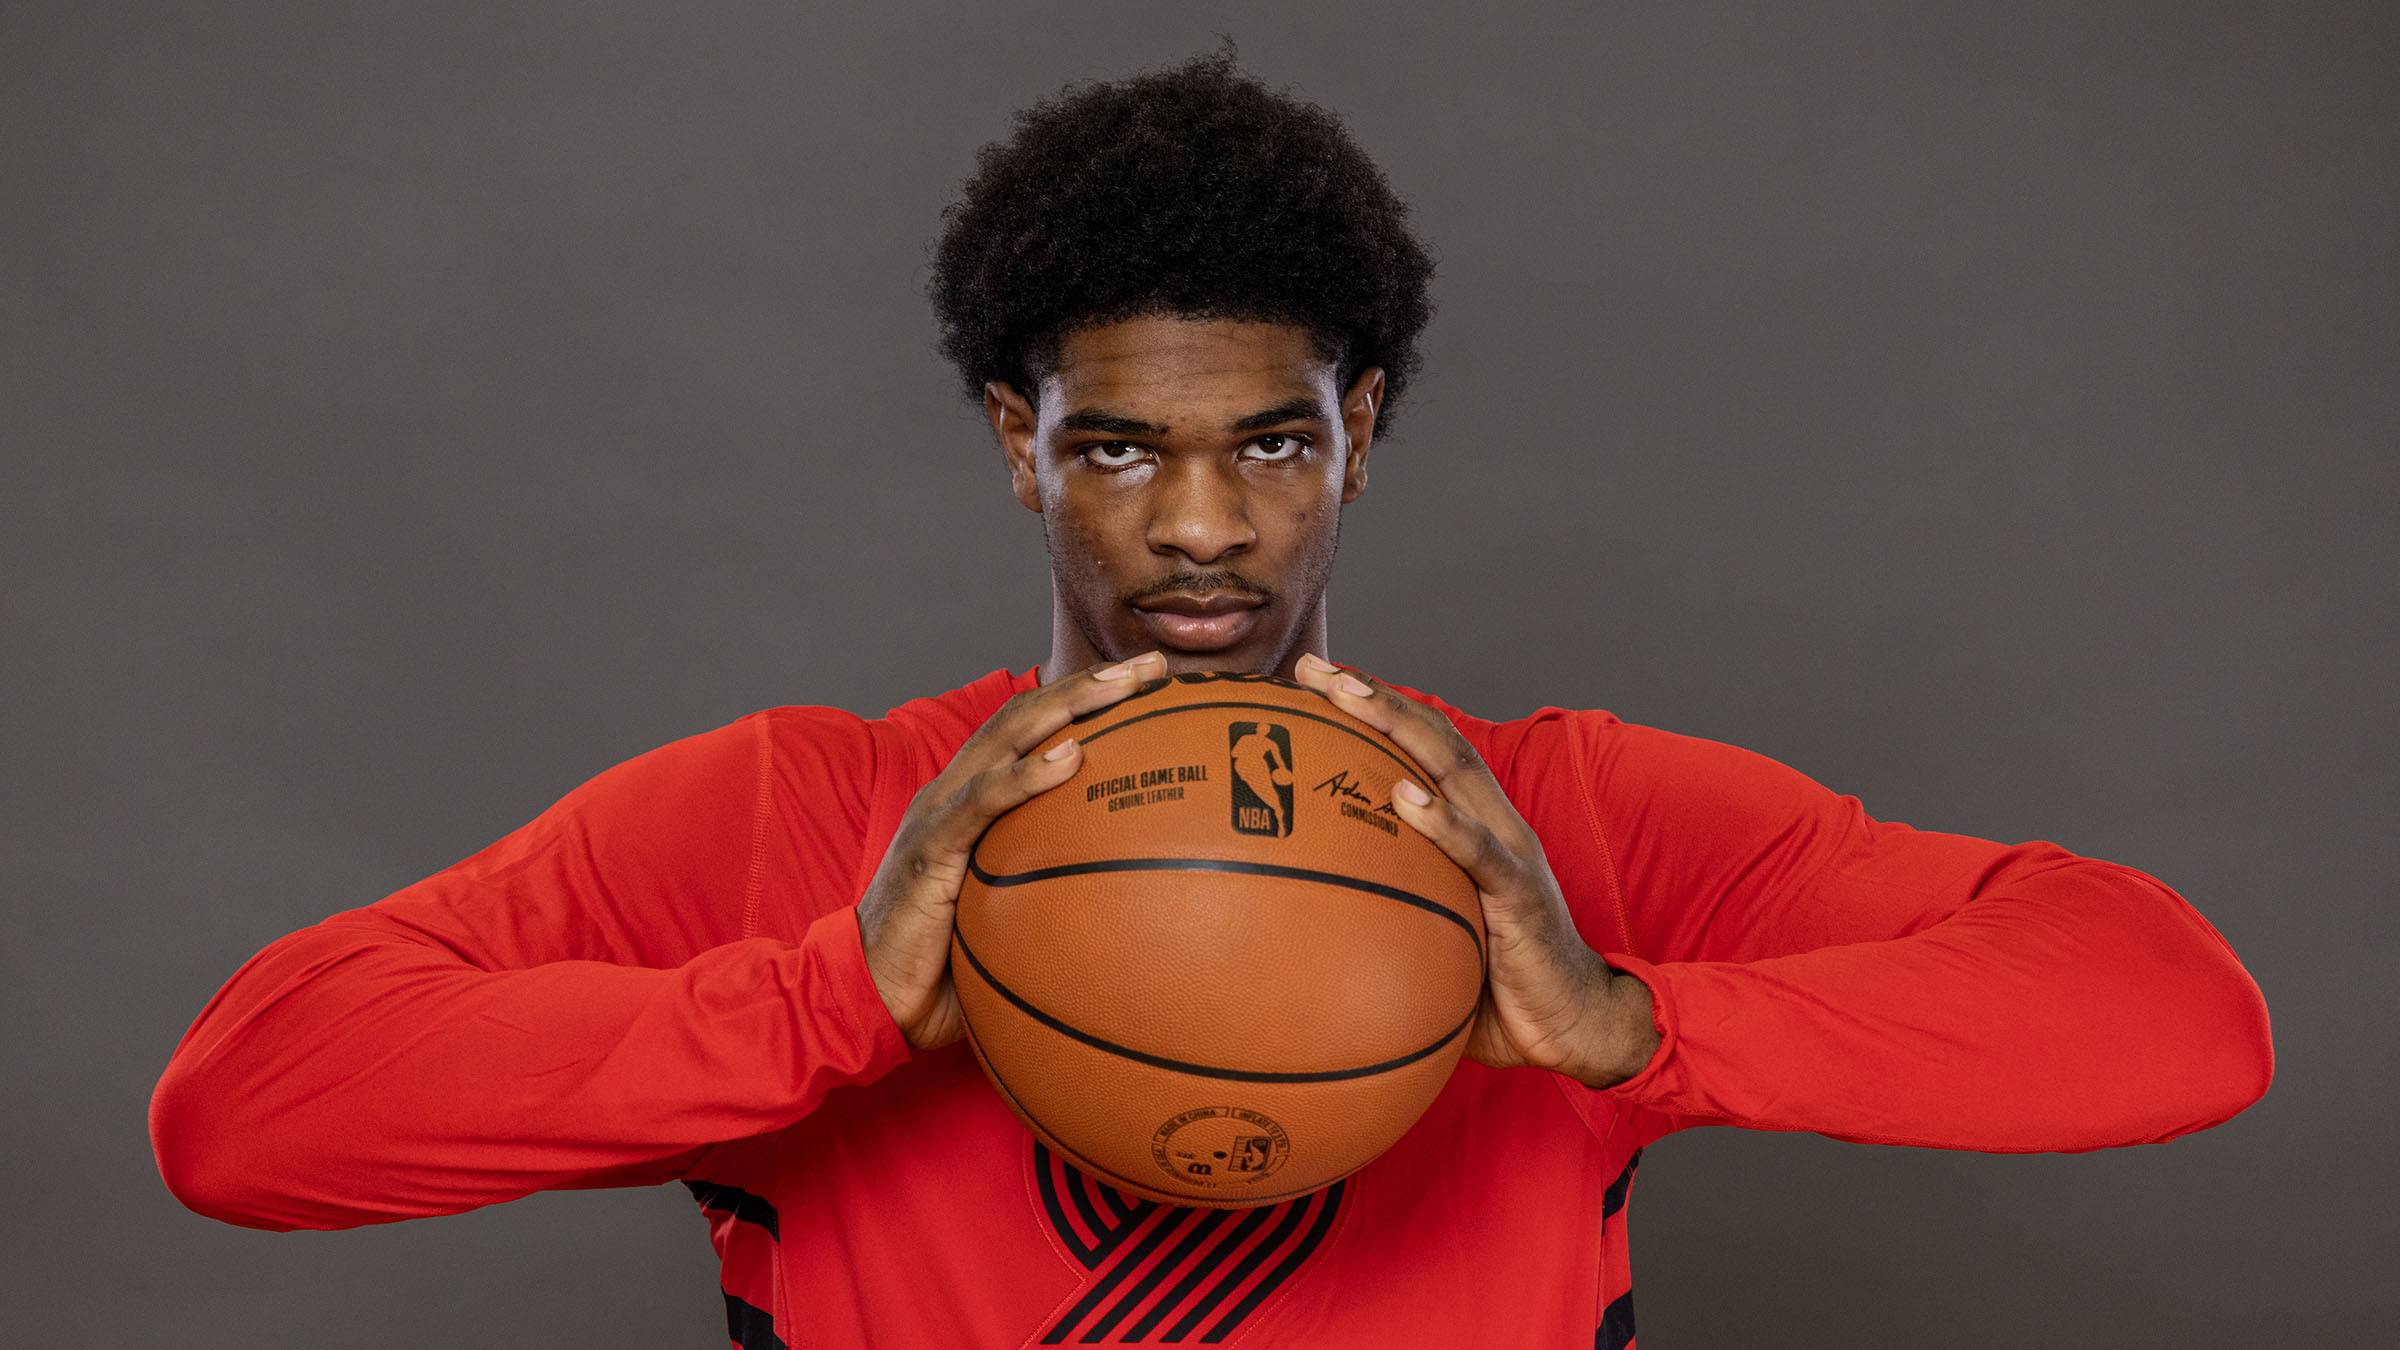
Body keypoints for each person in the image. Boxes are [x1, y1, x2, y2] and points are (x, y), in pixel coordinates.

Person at [149, 47, 2274, 1349]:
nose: (1197, 526)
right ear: (1019, 443)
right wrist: (824, 1005)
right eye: (1114, 449)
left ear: (1362, 433)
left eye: (1269, 442)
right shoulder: (812, 824)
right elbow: (244, 1113)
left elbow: (2181, 1013)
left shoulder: (1550, 829)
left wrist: (1640, 1024)